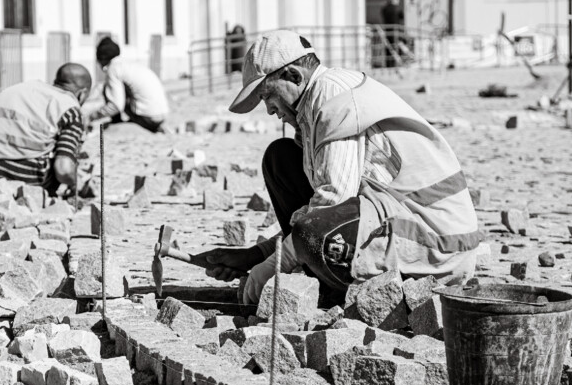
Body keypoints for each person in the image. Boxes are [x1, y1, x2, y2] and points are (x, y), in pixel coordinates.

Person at [203, 30, 481, 304]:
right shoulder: (314, 103)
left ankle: (336, 287)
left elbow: (333, 205)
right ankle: (322, 274)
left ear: (294, 76)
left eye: (268, 96)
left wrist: (273, 266)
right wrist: (255, 255)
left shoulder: (332, 97)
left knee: (311, 230)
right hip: (400, 219)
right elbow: (325, 213)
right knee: (281, 159)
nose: (269, 110)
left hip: (439, 243)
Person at [0, 63, 92, 195]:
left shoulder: (19, 88)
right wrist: (75, 181)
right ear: (82, 94)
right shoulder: (70, 108)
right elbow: (63, 169)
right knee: (66, 154)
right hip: (25, 177)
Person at [88, 36, 169, 132]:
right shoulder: (128, 64)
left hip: (148, 118)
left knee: (108, 89)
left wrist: (92, 116)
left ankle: (116, 122)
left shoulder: (113, 69)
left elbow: (116, 105)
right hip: (162, 115)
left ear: (101, 58)